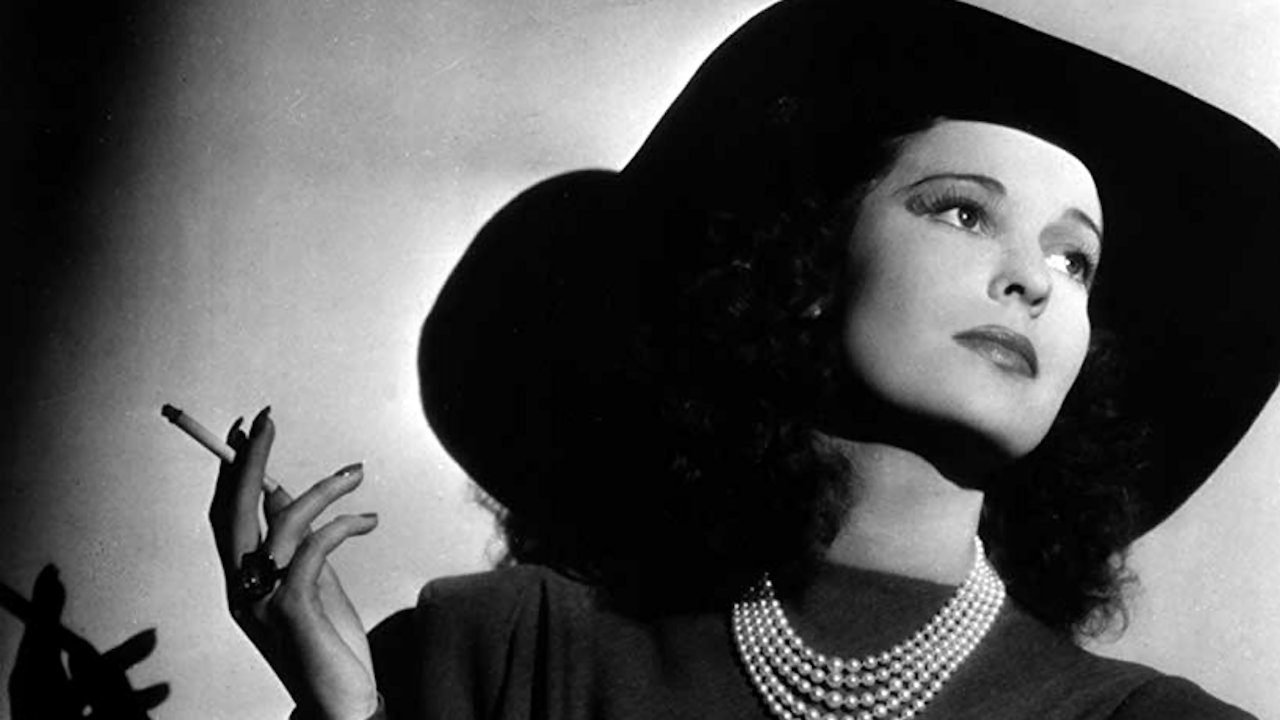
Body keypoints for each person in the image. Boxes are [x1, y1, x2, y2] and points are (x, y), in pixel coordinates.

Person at [206, 0, 1280, 718]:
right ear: (806, 262)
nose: (1034, 282)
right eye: (961, 211)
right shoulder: (500, 652)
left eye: (1075, 260)